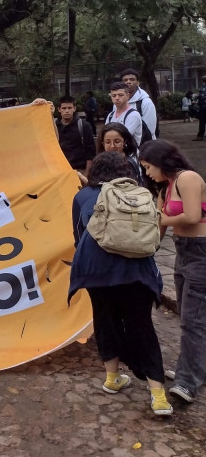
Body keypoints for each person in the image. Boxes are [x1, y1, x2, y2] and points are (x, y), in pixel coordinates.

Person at [68, 151, 171, 416]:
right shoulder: (140, 193)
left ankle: (112, 378)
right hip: (137, 271)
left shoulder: (82, 197)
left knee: (105, 321)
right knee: (142, 326)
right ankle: (158, 395)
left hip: (97, 272)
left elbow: (79, 236)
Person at [139, 139, 206, 404]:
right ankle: (192, 368)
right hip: (183, 252)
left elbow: (190, 216)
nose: (147, 173)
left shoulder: (187, 178)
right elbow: (157, 231)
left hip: (201, 252)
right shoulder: (164, 189)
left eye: (148, 167)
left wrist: (160, 219)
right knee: (189, 317)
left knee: (193, 320)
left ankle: (187, 382)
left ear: (161, 161)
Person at [56, 96, 96, 177]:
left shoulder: (84, 125)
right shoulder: (53, 126)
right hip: (59, 171)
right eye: (64, 108)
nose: (67, 111)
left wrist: (86, 174)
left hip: (79, 170)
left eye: (69, 108)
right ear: (59, 109)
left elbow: (90, 152)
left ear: (74, 108)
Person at [105, 82, 143, 148]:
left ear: (127, 96)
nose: (117, 98)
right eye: (114, 96)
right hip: (112, 154)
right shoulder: (110, 115)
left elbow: (124, 136)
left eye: (120, 95)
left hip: (129, 155)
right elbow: (105, 135)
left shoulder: (133, 115)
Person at [196, 76, 206, 140]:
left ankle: (200, 136)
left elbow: (201, 96)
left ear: (203, 81)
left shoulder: (203, 88)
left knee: (202, 121)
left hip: (203, 106)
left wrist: (197, 96)